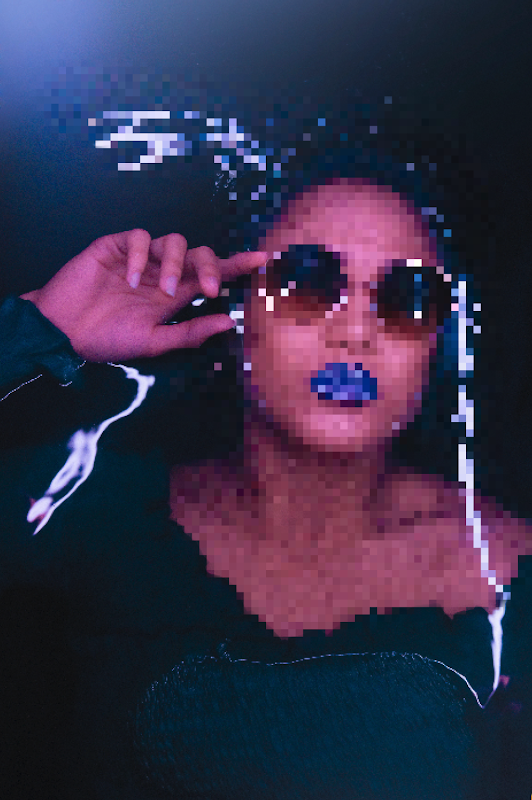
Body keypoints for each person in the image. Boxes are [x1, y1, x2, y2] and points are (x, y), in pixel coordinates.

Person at [1, 111, 532, 799]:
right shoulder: (84, 513)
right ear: (233, 312)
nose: (356, 332)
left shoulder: (507, 576)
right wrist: (38, 328)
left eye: (406, 297)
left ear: (438, 344)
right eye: (307, 282)